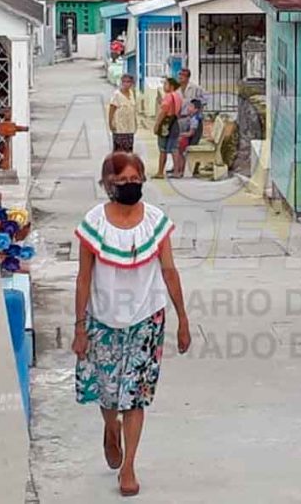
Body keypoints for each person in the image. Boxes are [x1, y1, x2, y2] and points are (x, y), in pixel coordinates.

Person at [73, 152, 192, 496]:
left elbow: (169, 270)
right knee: (109, 393)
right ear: (107, 185)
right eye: (121, 182)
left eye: (134, 180)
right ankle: (111, 429)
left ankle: (129, 467)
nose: (129, 186)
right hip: (103, 319)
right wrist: (80, 327)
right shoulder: (93, 223)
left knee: (135, 397)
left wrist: (183, 317)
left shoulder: (155, 222)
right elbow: (83, 278)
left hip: (147, 318)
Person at [153, 78, 183, 179]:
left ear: (171, 86)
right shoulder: (178, 96)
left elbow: (164, 112)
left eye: (166, 84)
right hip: (174, 123)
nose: (164, 86)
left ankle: (160, 172)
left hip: (165, 124)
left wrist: (157, 124)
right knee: (174, 148)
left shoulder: (168, 97)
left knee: (162, 149)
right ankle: (177, 171)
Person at [108, 74, 138, 152]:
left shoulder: (132, 93)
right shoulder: (117, 95)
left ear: (132, 83)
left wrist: (135, 123)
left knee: (129, 151)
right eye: (124, 82)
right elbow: (111, 110)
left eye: (128, 82)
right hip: (119, 128)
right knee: (119, 152)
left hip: (130, 128)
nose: (126, 84)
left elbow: (133, 110)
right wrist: (110, 124)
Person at [175, 98, 204, 178]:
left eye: (191, 106)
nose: (188, 108)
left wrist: (181, 134)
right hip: (192, 139)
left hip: (192, 140)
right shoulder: (194, 117)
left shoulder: (195, 119)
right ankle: (180, 170)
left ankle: (180, 170)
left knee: (179, 151)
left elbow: (190, 133)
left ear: (196, 109)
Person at [176, 68, 206, 138]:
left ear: (188, 77)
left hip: (191, 118)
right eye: (180, 74)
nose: (180, 77)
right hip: (181, 118)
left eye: (183, 75)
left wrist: (198, 107)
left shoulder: (194, 88)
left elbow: (206, 96)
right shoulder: (177, 89)